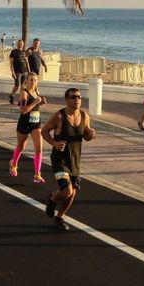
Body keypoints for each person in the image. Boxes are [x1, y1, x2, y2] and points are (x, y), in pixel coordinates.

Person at [41, 88, 96, 230]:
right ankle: (53, 198)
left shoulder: (84, 115)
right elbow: (44, 131)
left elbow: (86, 135)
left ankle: (59, 217)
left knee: (72, 194)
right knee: (67, 191)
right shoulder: (59, 116)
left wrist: (90, 134)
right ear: (66, 100)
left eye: (79, 97)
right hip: (59, 159)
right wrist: (54, 143)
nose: (77, 99)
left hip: (75, 160)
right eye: (73, 97)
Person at [10, 74, 47, 184]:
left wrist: (41, 102)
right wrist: (35, 102)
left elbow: (36, 106)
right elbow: (22, 110)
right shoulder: (24, 93)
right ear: (26, 81)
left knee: (39, 149)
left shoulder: (37, 91)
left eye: (35, 80)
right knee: (21, 146)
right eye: (31, 80)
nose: (33, 82)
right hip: (25, 123)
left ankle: (37, 175)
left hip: (36, 123)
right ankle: (14, 164)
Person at [8, 39, 29, 104]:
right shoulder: (13, 52)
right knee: (17, 86)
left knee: (23, 87)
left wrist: (29, 72)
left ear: (23, 45)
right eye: (19, 44)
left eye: (21, 44)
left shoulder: (24, 52)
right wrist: (13, 72)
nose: (20, 45)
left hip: (24, 72)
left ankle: (20, 100)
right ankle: (11, 95)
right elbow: (11, 63)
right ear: (17, 44)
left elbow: (27, 62)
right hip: (17, 72)